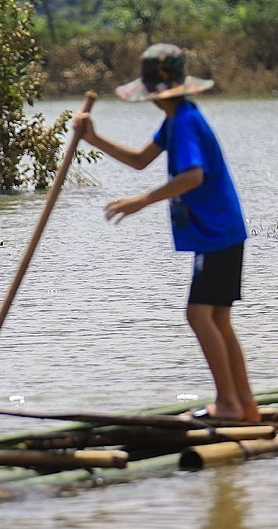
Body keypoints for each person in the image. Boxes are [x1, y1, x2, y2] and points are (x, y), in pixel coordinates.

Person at [73, 43, 261, 424]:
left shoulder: (186, 121)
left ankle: (228, 406)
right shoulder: (176, 119)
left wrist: (141, 202)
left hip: (217, 232)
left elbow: (193, 176)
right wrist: (93, 138)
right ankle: (245, 406)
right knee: (217, 318)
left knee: (198, 315)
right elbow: (142, 160)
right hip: (220, 230)